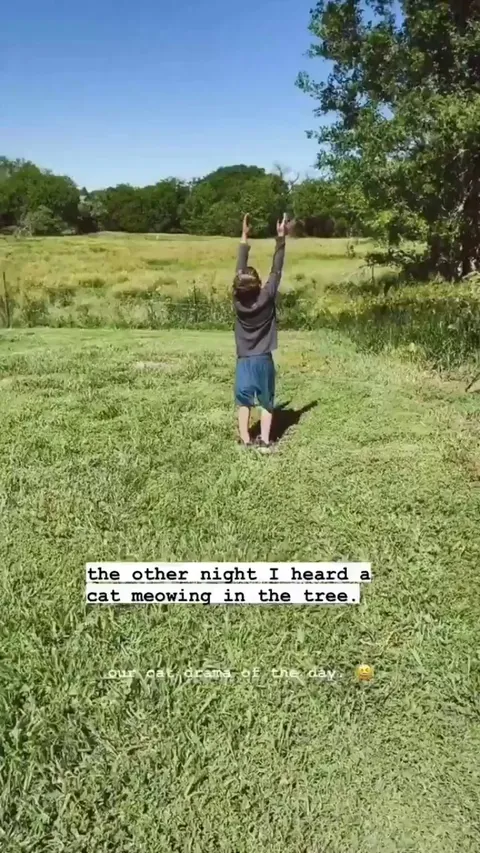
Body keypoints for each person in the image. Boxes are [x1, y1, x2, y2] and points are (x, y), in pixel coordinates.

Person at [232, 212, 288, 453]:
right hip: (263, 358)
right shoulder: (266, 297)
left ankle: (246, 440)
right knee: (266, 401)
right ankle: (265, 441)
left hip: (244, 359)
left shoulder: (237, 302)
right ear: (258, 284)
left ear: (237, 287)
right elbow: (277, 270)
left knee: (244, 401)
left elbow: (239, 270)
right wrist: (281, 238)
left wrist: (244, 237)